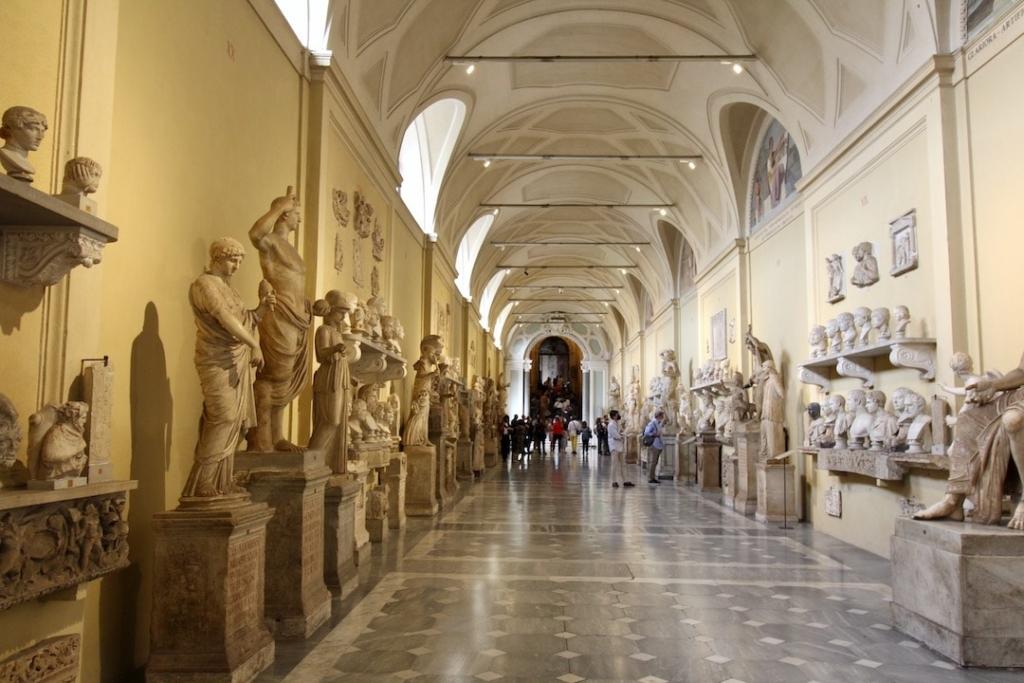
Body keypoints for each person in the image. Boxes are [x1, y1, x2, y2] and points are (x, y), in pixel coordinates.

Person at [608, 410, 632, 488]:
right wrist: (621, 436)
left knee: (623, 464)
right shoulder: (611, 424)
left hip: (619, 446)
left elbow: (620, 432)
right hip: (614, 446)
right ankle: (614, 481)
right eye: (617, 415)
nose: (619, 416)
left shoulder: (617, 423)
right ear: (614, 416)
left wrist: (623, 433)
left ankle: (625, 480)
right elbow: (615, 434)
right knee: (614, 464)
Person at [643, 410, 665, 484]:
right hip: (654, 444)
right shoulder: (652, 423)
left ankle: (653, 477)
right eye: (662, 416)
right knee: (653, 462)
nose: (663, 418)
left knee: (655, 462)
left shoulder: (658, 423)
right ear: (659, 416)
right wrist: (655, 434)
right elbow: (646, 432)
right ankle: (650, 477)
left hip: (658, 444)